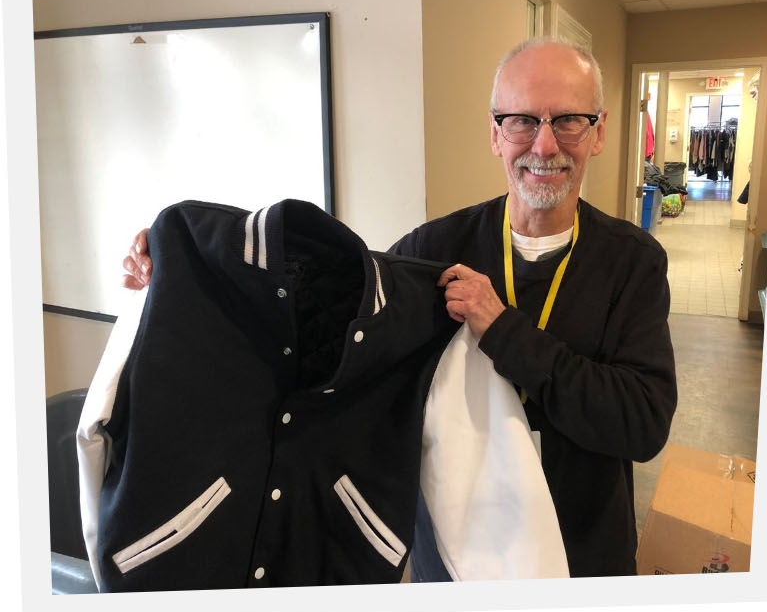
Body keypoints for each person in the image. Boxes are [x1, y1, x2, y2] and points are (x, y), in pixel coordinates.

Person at [121, 37, 677, 578]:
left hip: (585, 560)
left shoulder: (633, 263)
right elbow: (323, 313)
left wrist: (501, 327)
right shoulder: (433, 250)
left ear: (598, 132)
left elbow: (642, 425)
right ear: (495, 134)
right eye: (523, 120)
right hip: (454, 561)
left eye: (569, 120)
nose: (545, 145)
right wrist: (186, 266)